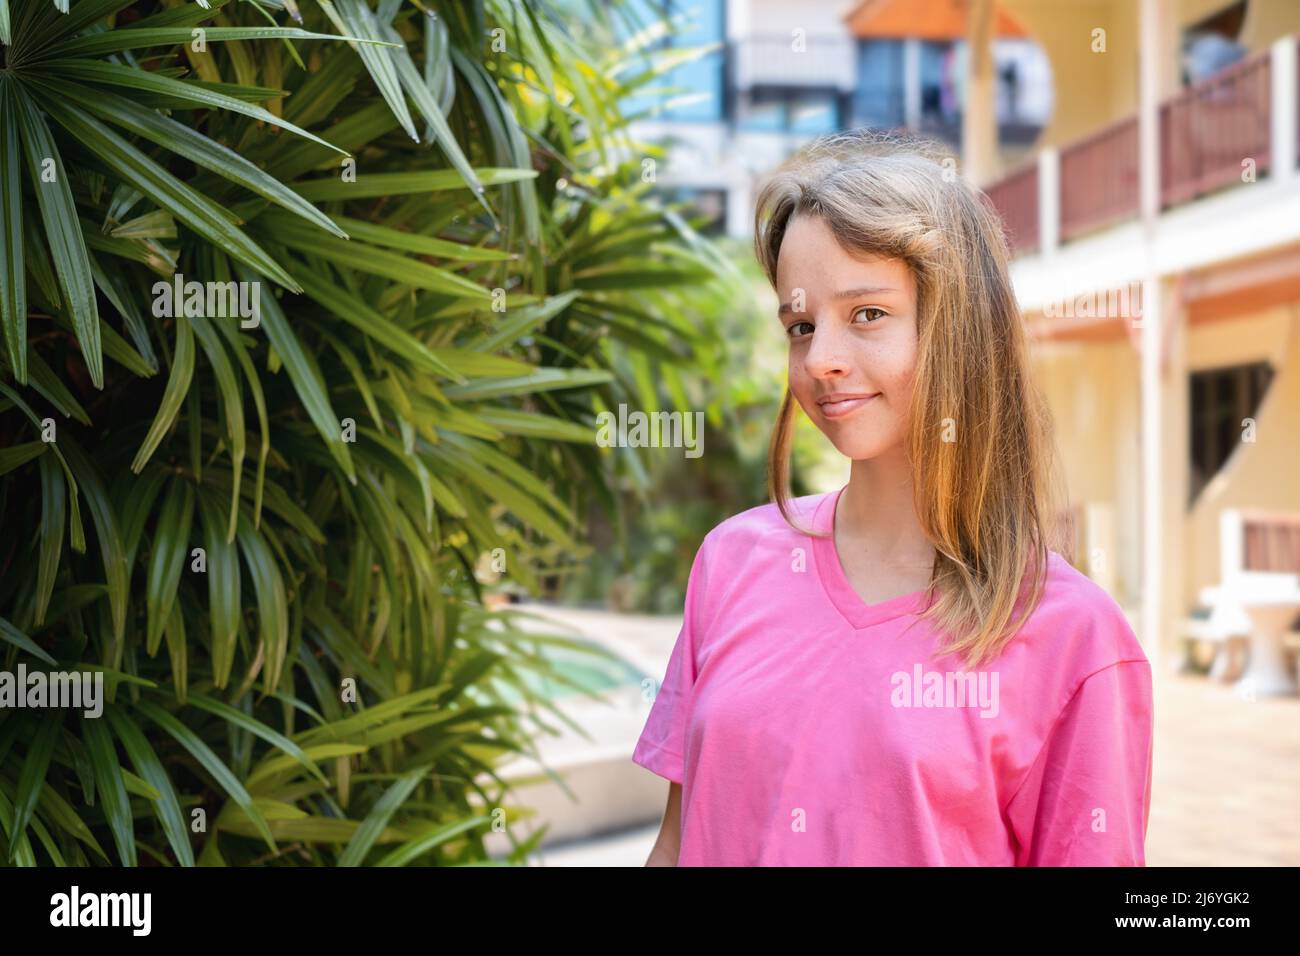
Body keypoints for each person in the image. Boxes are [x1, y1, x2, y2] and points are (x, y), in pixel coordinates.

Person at [633, 129, 1154, 867]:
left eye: (867, 315)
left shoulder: (1076, 640)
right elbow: (677, 845)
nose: (822, 361)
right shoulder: (732, 561)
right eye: (800, 325)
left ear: (960, 330)